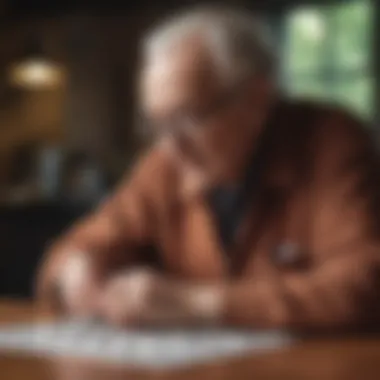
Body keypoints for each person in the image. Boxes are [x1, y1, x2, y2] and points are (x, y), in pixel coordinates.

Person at [37, 6, 380, 331]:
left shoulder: (331, 143)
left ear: (257, 99)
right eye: (157, 124)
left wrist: (199, 303)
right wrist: (76, 271)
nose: (171, 146)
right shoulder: (164, 164)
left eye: (189, 118)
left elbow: (366, 282)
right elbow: (68, 254)